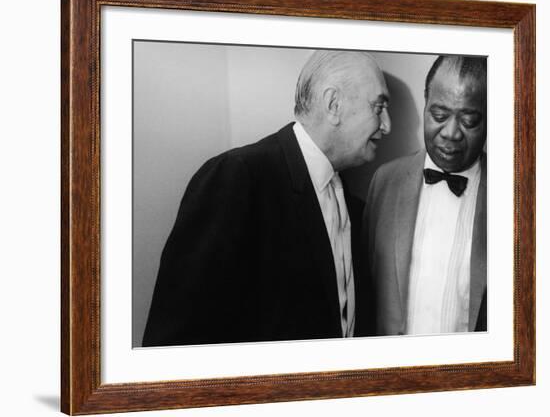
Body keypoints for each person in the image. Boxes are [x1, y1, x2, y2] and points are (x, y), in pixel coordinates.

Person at [142, 50, 391, 346]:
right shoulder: (236, 177)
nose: (387, 125)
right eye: (379, 107)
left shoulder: (354, 205)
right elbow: (175, 339)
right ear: (333, 104)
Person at [365, 55, 487, 336]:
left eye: (469, 120)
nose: (452, 133)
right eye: (439, 116)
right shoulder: (384, 181)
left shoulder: (517, 191)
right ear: (425, 103)